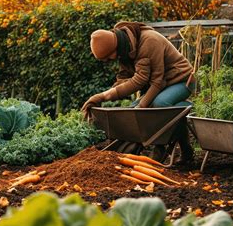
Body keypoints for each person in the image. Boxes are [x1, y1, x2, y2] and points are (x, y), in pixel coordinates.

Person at [81, 21, 195, 164]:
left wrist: (107, 96)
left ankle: (159, 147)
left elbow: (154, 82)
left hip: (181, 81)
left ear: (115, 46)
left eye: (109, 57)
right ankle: (187, 150)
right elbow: (124, 79)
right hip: (161, 84)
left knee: (159, 105)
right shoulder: (126, 47)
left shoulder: (149, 41)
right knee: (136, 110)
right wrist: (109, 93)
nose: (111, 60)